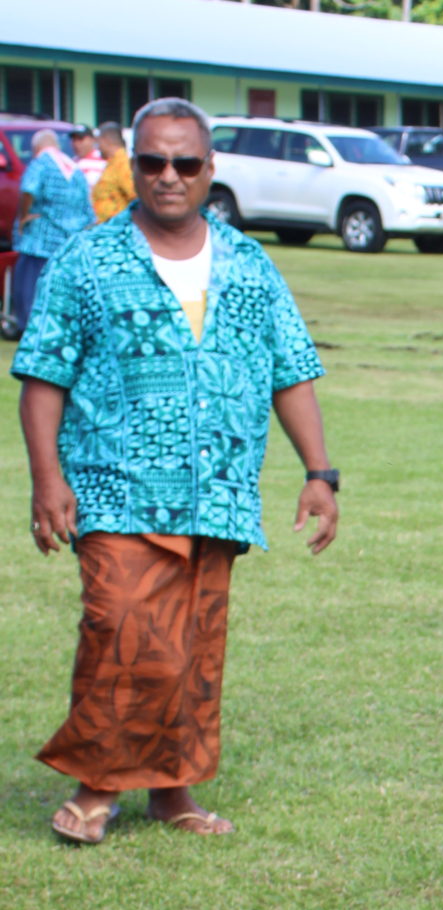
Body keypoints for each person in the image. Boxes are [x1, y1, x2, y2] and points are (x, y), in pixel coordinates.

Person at [13, 97, 337, 845]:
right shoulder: (88, 261)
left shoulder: (249, 266)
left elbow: (290, 369)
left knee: (192, 647)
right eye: (152, 161)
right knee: (124, 629)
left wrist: (321, 472)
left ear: (208, 170)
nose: (167, 176)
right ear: (134, 164)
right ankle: (97, 787)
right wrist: (45, 479)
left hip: (216, 490)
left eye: (184, 163)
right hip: (112, 483)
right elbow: (42, 378)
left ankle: (172, 792)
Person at [11, 130, 93, 331]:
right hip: (70, 242)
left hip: (41, 240)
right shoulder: (74, 167)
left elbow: (29, 188)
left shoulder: (41, 163)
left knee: (29, 288)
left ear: (36, 147)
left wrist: (24, 216)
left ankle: (32, 328)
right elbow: (88, 209)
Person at [92, 122, 135, 222]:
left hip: (118, 229)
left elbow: (135, 198)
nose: (97, 147)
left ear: (105, 140)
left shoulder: (123, 164)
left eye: (98, 143)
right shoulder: (112, 163)